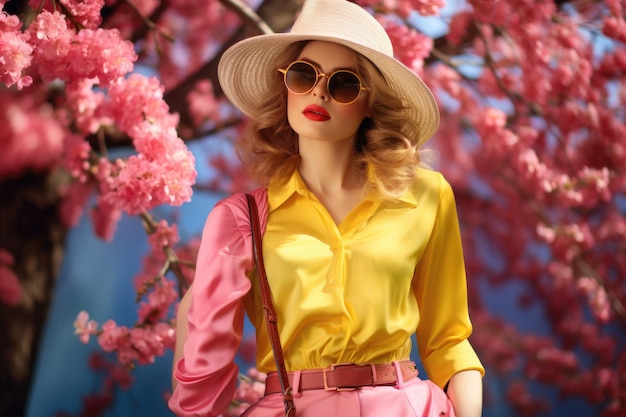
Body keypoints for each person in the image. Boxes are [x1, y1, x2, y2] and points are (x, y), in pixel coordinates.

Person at [169, 0, 485, 416]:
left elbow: (448, 340)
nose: (318, 92)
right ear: (285, 85)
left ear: (371, 101)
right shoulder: (240, 220)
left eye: (344, 84)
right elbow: (200, 385)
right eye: (303, 75)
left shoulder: (425, 196)